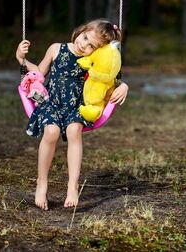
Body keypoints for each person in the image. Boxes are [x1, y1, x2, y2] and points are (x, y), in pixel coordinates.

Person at [16, 19, 129, 210]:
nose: (83, 45)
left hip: (77, 106)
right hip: (51, 103)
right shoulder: (56, 49)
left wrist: (124, 85)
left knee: (74, 130)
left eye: (91, 45)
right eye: (85, 37)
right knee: (50, 132)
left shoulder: (93, 59)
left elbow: (109, 77)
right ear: (82, 30)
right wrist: (21, 59)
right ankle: (41, 183)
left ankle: (72, 186)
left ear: (98, 49)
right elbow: (40, 73)